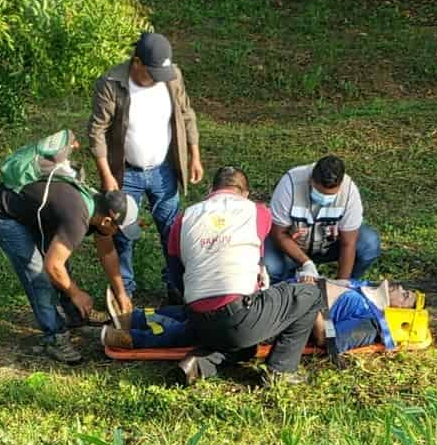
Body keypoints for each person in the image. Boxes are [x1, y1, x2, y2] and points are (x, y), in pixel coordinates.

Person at [0, 133, 138, 365]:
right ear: (108, 221)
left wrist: (122, 294)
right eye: (119, 229)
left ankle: (76, 316)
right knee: (38, 275)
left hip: (34, 214)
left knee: (61, 263)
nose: (118, 235)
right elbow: (52, 266)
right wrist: (77, 293)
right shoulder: (78, 218)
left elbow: (108, 253)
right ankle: (54, 337)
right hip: (6, 217)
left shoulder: (99, 205)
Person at [162, 165, 322, 386]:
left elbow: (174, 272)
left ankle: (199, 364)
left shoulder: (183, 218)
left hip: (198, 320)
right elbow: (259, 263)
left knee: (245, 345)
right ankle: (281, 370)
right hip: (237, 315)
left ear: (211, 190)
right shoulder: (257, 211)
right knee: (311, 294)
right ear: (245, 193)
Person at [87, 31, 203, 298]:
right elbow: (97, 131)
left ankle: (177, 286)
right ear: (136, 62)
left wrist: (194, 154)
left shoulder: (171, 76)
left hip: (164, 170)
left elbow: (186, 113)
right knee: (123, 232)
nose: (156, 80)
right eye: (151, 73)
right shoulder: (111, 82)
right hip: (126, 173)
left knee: (172, 230)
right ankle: (125, 289)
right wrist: (106, 175)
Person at [101, 279, 418, 358]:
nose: (402, 289)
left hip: (284, 319)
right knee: (203, 310)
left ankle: (134, 339)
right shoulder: (362, 291)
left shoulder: (371, 323)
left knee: (201, 328)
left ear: (402, 313)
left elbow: (328, 339)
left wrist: (311, 301)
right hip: (282, 298)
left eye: (406, 296)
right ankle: (136, 317)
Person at [263, 155, 381, 284]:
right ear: (310, 180)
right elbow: (278, 233)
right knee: (271, 266)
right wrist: (306, 262)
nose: (324, 198)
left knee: (369, 242)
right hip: (293, 246)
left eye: (330, 195)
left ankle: (350, 286)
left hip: (328, 246)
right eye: (320, 192)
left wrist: (342, 284)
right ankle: (286, 288)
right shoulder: (290, 184)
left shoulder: (349, 192)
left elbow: (349, 243)